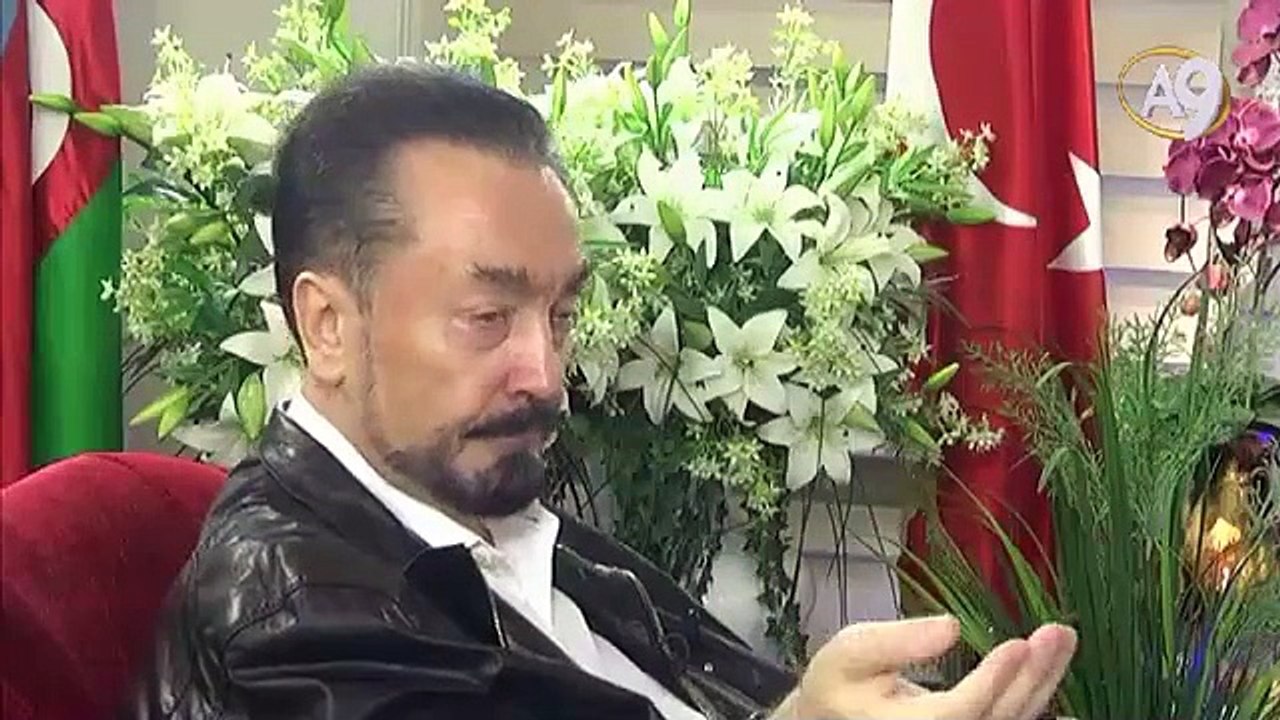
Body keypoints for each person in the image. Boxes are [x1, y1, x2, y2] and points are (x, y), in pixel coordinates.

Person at [124, 63, 1077, 720]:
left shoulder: (488, 515)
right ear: (329, 324)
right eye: (487, 317)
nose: (544, 373)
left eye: (562, 313)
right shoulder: (288, 619)